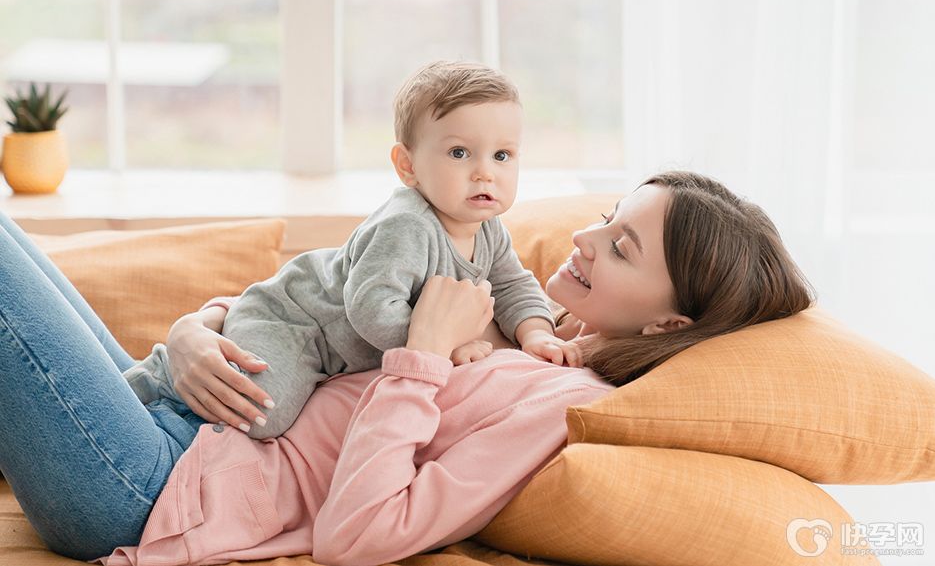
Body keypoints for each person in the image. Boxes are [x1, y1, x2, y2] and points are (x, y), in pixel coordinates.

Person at [0, 170, 813, 565]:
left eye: (621, 246)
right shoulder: (512, 312)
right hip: (177, 412)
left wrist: (421, 354)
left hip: (153, 491)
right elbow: (316, 314)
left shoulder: (558, 404)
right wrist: (198, 326)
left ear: (670, 322)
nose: (584, 240)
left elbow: (360, 534)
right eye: (605, 220)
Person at [121, 60, 573, 439]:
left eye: (502, 156)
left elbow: (514, 284)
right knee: (261, 415)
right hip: (294, 321)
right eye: (459, 153)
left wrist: (535, 333)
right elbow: (371, 309)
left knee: (264, 415)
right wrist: (442, 346)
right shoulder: (407, 225)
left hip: (326, 344)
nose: (484, 173)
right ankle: (158, 377)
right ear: (408, 165)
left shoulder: (488, 229)